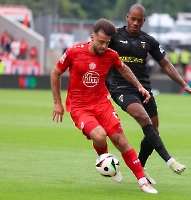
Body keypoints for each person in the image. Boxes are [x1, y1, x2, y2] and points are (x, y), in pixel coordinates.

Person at [50, 18, 158, 194]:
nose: (104, 46)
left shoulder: (110, 55)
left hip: (102, 103)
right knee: (100, 136)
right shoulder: (73, 52)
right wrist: (57, 103)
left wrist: (139, 86)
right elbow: (55, 73)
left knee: (120, 140)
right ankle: (107, 161)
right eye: (101, 42)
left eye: (107, 43)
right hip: (80, 107)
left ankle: (142, 181)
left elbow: (124, 69)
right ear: (91, 37)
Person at [106, 4, 191, 184]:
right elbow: (98, 51)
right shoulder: (114, 36)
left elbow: (165, 64)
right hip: (121, 88)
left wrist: (184, 84)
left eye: (139, 20)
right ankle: (170, 161)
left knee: (153, 130)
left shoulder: (148, 40)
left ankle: (140, 166)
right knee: (143, 118)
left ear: (144, 21)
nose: (135, 23)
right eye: (132, 19)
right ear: (127, 17)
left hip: (144, 89)